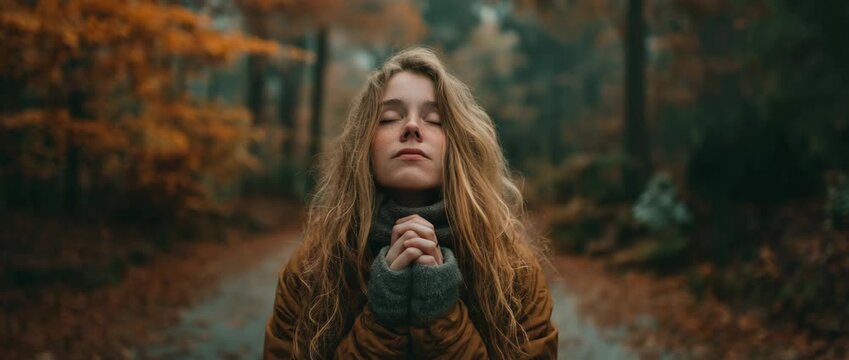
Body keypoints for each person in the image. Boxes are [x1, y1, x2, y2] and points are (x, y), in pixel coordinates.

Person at [263, 47, 558, 359]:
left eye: (434, 120)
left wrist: (441, 315)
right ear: (364, 143)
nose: (412, 126)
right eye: (390, 117)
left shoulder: (512, 268)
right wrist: (383, 315)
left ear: (458, 143)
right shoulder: (315, 265)